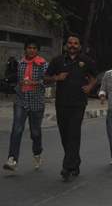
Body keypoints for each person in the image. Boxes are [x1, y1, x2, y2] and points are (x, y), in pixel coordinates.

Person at [45, 34, 97, 181]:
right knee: (65, 135)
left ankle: (66, 167)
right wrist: (57, 78)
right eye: (70, 43)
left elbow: (94, 77)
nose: (73, 45)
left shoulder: (85, 61)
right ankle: (75, 162)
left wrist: (90, 86)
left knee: (74, 134)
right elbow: (46, 77)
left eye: (76, 43)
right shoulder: (58, 61)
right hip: (61, 103)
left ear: (79, 46)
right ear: (66, 45)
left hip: (78, 104)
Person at [3, 39, 48, 172]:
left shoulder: (43, 64)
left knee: (35, 132)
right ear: (25, 49)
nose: (31, 50)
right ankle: (12, 159)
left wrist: (36, 83)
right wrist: (18, 85)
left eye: (34, 48)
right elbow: (16, 80)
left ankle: (37, 152)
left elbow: (48, 81)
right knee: (17, 129)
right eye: (29, 48)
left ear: (37, 50)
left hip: (36, 102)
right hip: (21, 100)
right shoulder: (20, 64)